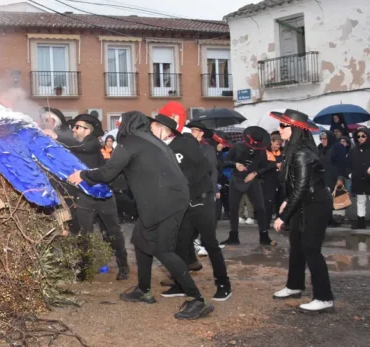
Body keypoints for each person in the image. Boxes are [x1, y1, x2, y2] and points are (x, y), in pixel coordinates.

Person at [68, 111, 214, 320]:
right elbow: (127, 177)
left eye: (121, 124)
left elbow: (108, 172)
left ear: (127, 125)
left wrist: (82, 175)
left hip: (163, 202)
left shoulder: (129, 143)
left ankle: (197, 300)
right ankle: (143, 290)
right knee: (140, 241)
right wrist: (105, 183)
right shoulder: (150, 142)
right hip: (170, 198)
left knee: (162, 249)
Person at [156, 107, 231, 302]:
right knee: (181, 243)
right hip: (183, 203)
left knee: (209, 243)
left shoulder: (186, 141)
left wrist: (185, 184)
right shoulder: (163, 147)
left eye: (156, 126)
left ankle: (223, 284)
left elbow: (204, 167)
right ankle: (181, 284)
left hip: (200, 199)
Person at [271, 109, 334, 313]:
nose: (279, 129)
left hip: (316, 204)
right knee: (296, 245)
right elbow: (295, 184)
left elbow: (301, 187)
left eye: (283, 125)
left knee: (311, 249)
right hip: (304, 202)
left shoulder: (302, 153)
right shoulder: (293, 149)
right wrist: (287, 201)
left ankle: (324, 297)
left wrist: (283, 216)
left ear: (295, 129)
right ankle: (294, 285)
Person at [62, 114, 129, 281]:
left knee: (113, 232)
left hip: (103, 196)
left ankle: (123, 266)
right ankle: (85, 268)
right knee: (84, 234)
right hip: (84, 197)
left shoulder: (92, 143)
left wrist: (57, 136)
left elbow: (85, 147)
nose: (73, 129)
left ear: (88, 130)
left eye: (77, 127)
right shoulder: (76, 146)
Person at [221, 126, 275, 246]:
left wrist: (255, 173)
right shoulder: (237, 146)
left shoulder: (262, 150)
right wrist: (235, 164)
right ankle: (233, 236)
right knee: (233, 208)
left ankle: (264, 236)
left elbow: (267, 166)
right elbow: (224, 162)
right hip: (236, 179)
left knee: (260, 208)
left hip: (252, 180)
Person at [347, 127, 370, 229]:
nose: (360, 138)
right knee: (360, 201)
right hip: (358, 180)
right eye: (358, 136)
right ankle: (361, 223)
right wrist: (350, 174)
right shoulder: (354, 150)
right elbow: (347, 164)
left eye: (363, 136)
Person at [261, 134, 285, 230]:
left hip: (280, 180)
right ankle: (265, 224)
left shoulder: (282, 152)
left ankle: (280, 222)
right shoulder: (264, 151)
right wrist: (275, 165)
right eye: (276, 144)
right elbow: (262, 167)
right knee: (268, 202)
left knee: (280, 201)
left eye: (279, 145)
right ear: (271, 142)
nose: (278, 146)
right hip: (268, 180)